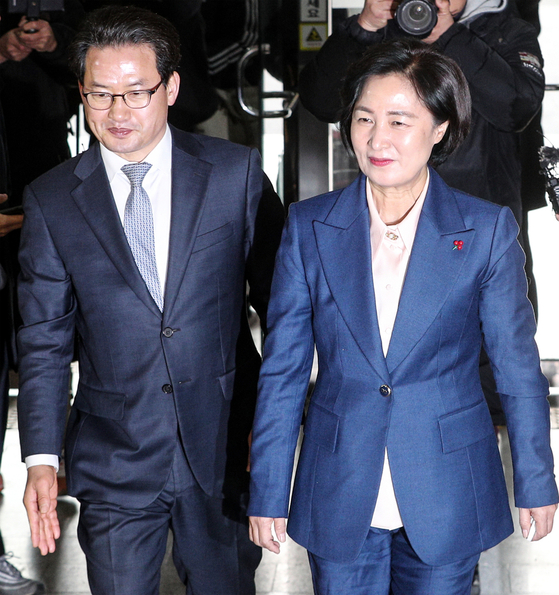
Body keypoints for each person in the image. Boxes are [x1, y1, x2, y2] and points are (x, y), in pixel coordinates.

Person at [248, 39, 558, 595]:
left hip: (446, 488)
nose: (377, 138)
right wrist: (269, 490)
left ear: (440, 128)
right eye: (364, 119)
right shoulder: (309, 227)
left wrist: (537, 480)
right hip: (340, 485)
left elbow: (516, 367)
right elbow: (283, 371)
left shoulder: (485, 231)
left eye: (399, 120)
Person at [16, 5, 284, 595]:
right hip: (114, 455)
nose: (117, 113)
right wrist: (39, 457)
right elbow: (43, 340)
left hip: (223, 450)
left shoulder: (233, 174)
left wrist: (286, 430)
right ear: (81, 92)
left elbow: (284, 308)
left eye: (137, 93)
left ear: (172, 88)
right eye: (100, 94)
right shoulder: (53, 198)